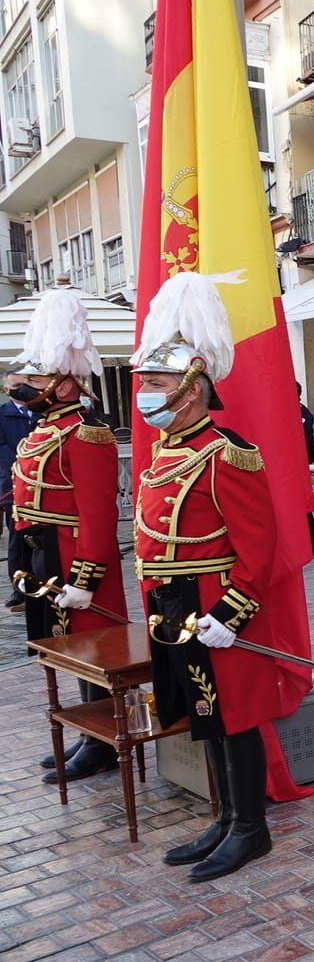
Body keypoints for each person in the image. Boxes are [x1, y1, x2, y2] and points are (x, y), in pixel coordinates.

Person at [132, 272, 291, 882]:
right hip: (175, 604)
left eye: (156, 383)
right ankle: (225, 818)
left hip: (217, 603)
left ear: (193, 389)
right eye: (143, 381)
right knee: (206, 714)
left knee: (237, 716)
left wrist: (232, 613)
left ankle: (251, 828)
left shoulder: (228, 452)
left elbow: (259, 544)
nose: (144, 393)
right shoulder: (164, 453)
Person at [9, 286, 125, 782]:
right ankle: (86, 733)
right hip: (44, 551)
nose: (22, 385)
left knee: (93, 648)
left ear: (62, 384)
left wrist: (86, 576)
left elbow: (98, 513)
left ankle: (100, 741)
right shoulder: (43, 430)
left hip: (76, 555)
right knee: (64, 647)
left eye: (34, 378)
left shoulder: (86, 431)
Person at [1, 370, 37, 608]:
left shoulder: (43, 413)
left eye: (25, 383)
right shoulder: (2, 415)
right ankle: (20, 589)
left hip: (45, 487)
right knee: (17, 541)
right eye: (16, 385)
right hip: (13, 486)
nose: (21, 389)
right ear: (6, 390)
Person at [296, 380, 314, 557]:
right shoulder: (300, 411)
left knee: (302, 504)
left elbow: (308, 441)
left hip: (298, 465)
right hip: (297, 464)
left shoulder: (302, 413)